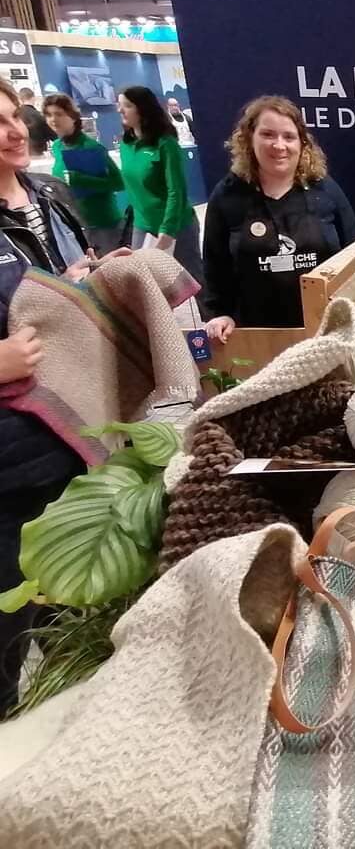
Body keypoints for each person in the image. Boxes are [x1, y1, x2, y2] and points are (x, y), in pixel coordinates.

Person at [0, 78, 130, 714]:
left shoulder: (47, 197)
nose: (15, 130)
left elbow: (69, 285)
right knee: (8, 619)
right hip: (8, 464)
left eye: (14, 117)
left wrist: (93, 280)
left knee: (74, 617)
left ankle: (67, 727)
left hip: (74, 439)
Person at [203, 95, 355, 338]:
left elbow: (354, 253)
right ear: (249, 139)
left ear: (302, 143)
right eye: (267, 135)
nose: (279, 145)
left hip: (323, 330)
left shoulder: (325, 190)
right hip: (255, 332)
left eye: (289, 136)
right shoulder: (227, 195)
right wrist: (219, 313)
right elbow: (215, 265)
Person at [117, 85, 203, 286]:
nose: (120, 110)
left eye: (127, 105)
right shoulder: (126, 145)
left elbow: (177, 190)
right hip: (143, 226)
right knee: (144, 284)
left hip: (176, 225)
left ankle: (215, 317)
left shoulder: (165, 143)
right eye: (120, 105)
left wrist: (168, 228)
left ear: (143, 109)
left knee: (194, 280)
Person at [43, 92, 127, 255]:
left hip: (102, 224)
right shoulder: (57, 146)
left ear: (73, 117)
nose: (53, 120)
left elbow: (118, 183)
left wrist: (82, 180)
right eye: (48, 115)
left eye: (59, 114)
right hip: (75, 224)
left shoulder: (92, 148)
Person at [17, 87, 55, 157]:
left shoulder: (16, 116)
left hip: (21, 153)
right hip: (39, 152)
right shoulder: (39, 115)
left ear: (20, 99)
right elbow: (53, 136)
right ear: (33, 98)